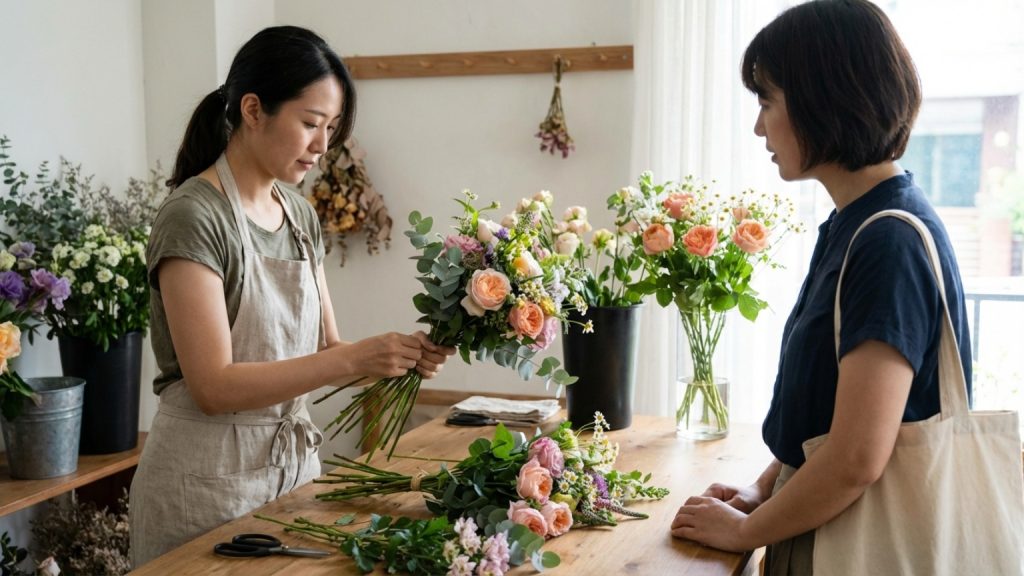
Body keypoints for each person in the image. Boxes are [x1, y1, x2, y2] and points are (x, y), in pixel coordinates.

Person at [128, 26, 454, 566]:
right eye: (310, 123)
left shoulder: (299, 216)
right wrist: (351, 356)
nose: (323, 146)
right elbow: (213, 385)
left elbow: (328, 348)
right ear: (253, 110)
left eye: (330, 128)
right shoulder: (194, 216)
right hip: (201, 486)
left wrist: (398, 356)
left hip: (290, 476)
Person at [669, 1, 972, 573]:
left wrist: (746, 532)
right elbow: (825, 423)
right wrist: (764, 490)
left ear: (822, 97)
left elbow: (857, 456)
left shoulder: (887, 242)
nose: (759, 125)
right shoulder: (858, 223)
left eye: (767, 100)